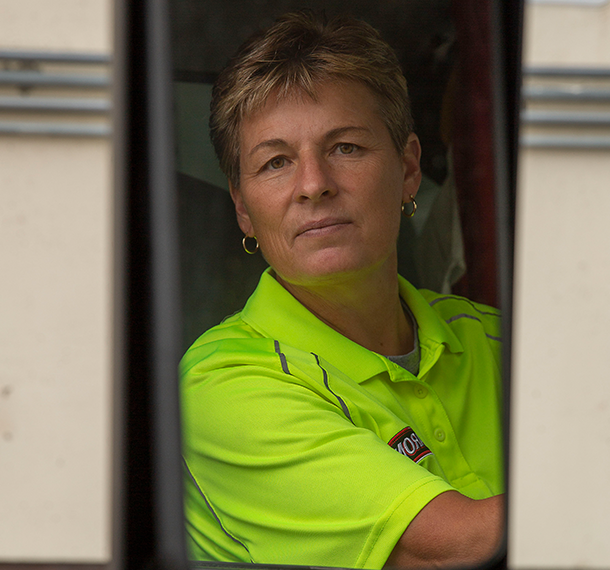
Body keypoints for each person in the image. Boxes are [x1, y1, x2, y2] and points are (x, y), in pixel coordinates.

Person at [180, 11, 503, 569]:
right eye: (276, 162)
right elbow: (451, 552)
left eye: (346, 148)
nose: (313, 185)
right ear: (243, 207)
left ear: (407, 169)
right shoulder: (222, 387)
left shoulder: (495, 339)